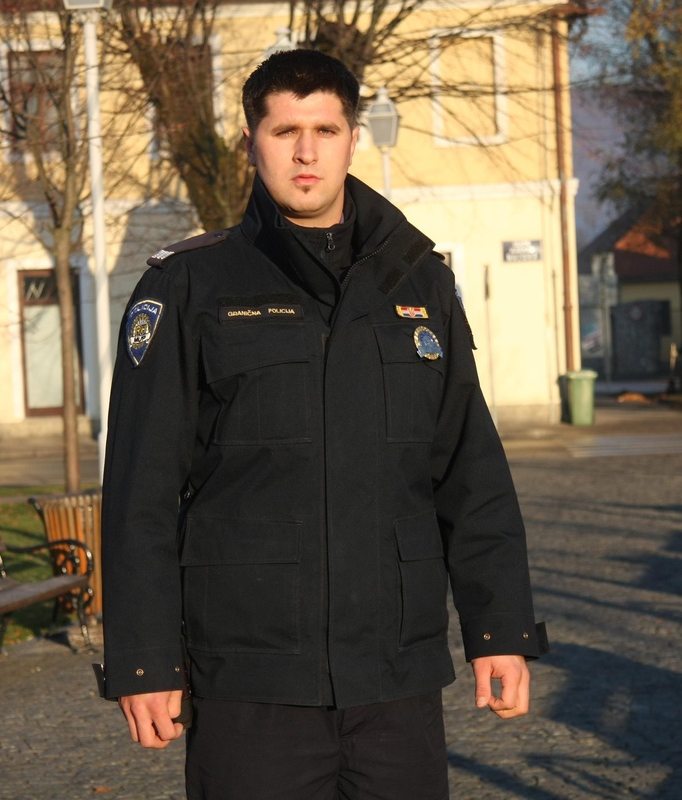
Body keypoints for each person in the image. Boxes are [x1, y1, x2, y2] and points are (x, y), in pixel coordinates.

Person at [98, 49, 546, 800]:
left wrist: (498, 629)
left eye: (325, 130)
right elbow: (139, 490)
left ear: (352, 139)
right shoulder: (189, 285)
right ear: (251, 143)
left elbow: (469, 471)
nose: (306, 152)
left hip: (395, 674)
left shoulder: (419, 281)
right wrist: (143, 660)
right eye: (284, 131)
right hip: (251, 678)